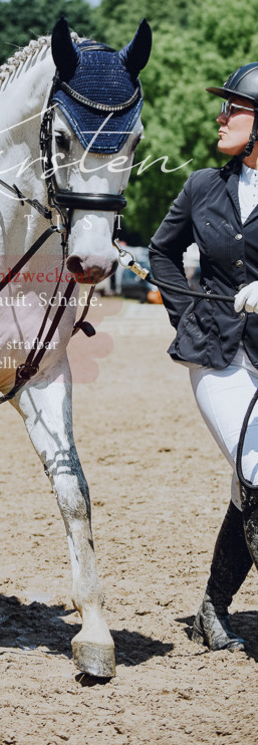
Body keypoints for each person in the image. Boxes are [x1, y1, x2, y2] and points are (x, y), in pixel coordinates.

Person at [149, 62, 258, 651]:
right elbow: (162, 253)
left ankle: (212, 608)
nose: (220, 117)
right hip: (218, 355)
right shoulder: (201, 186)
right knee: (257, 470)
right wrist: (187, 313)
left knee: (248, 488)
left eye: (233, 109)